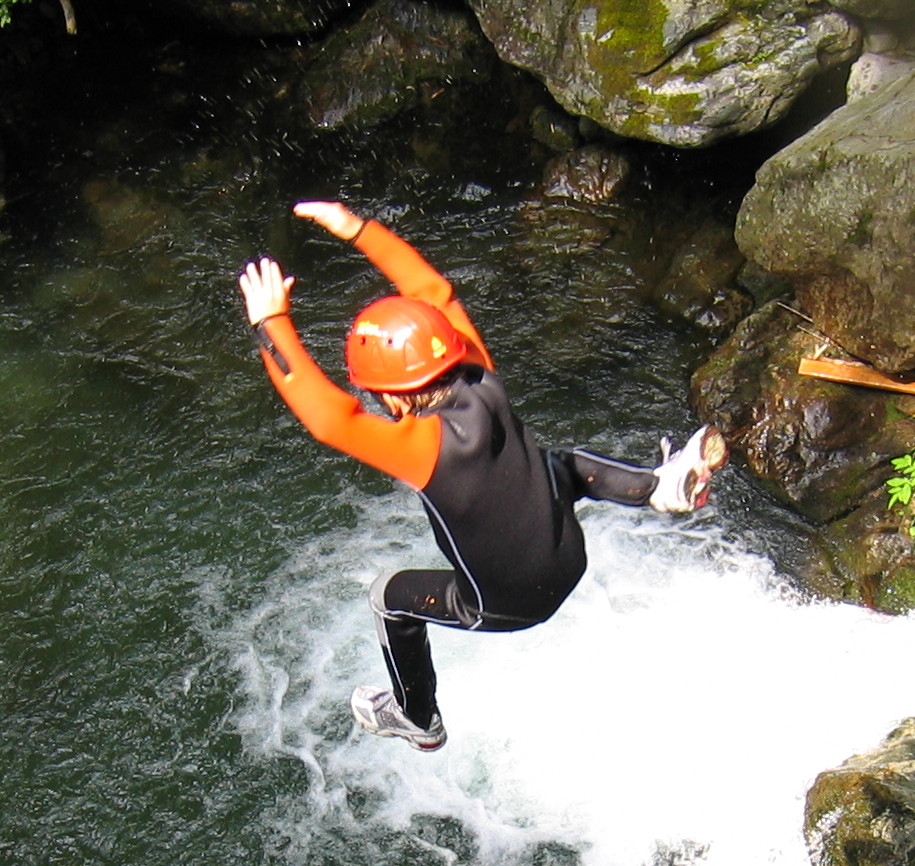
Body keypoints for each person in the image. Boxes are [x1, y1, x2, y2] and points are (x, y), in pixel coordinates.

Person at [237, 200, 726, 752]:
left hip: (514, 604)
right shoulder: (480, 374)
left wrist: (269, 321)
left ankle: (418, 719)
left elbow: (329, 418)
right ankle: (656, 486)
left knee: (385, 596)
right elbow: (434, 294)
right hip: (569, 554)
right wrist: (359, 229)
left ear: (391, 395)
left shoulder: (419, 445)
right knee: (558, 464)